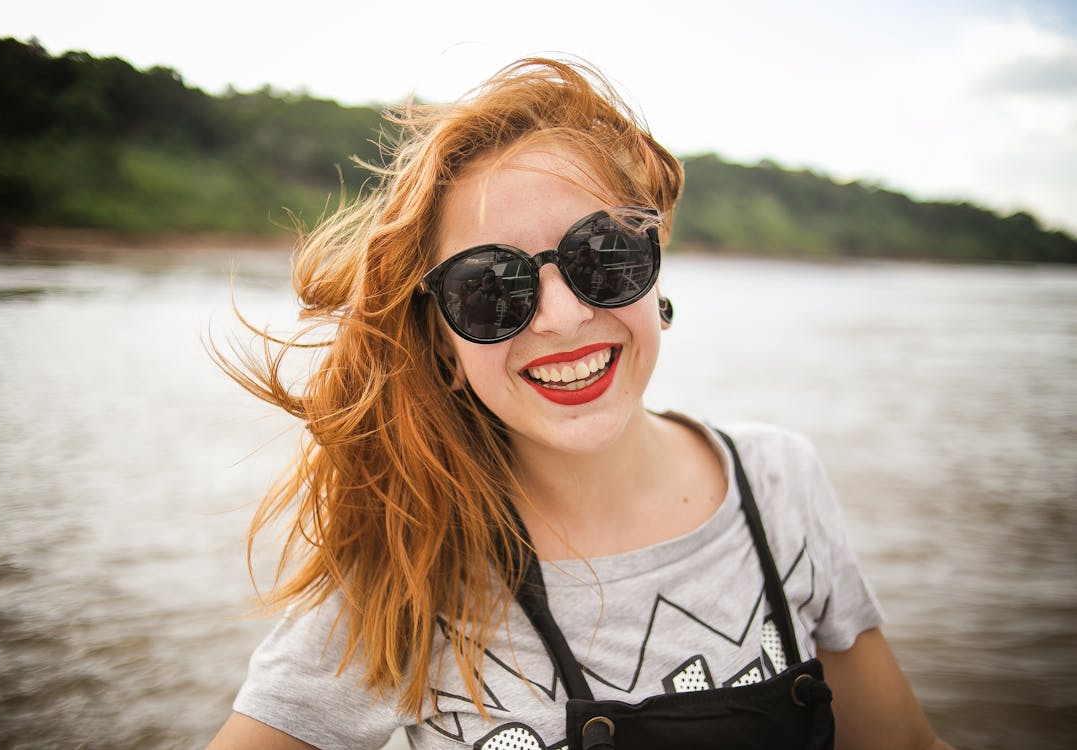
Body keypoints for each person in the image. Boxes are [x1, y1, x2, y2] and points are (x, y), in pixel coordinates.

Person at [208, 57, 953, 750]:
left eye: (603, 256)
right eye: (489, 288)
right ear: (441, 341)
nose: (560, 318)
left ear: (655, 275)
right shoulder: (403, 573)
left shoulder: (777, 480)